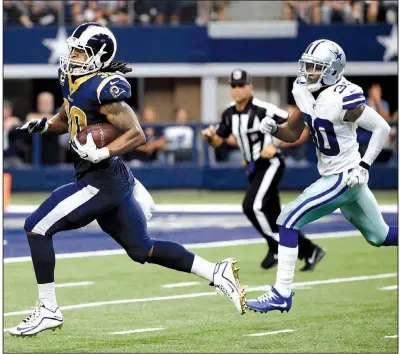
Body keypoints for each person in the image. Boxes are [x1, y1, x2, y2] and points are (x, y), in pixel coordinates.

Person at [10, 22, 246, 337]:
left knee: (36, 226)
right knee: (142, 249)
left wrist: (100, 153)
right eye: (74, 49)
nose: (73, 55)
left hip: (100, 180)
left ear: (98, 56)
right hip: (110, 179)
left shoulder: (105, 89)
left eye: (80, 51)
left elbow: (137, 135)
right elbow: (69, 113)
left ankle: (48, 309)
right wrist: (44, 124)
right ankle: (216, 272)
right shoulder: (72, 78)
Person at [246, 39, 398, 313]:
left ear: (332, 70)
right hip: (337, 174)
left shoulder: (345, 97)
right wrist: (275, 130)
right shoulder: (304, 90)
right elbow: (293, 131)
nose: (309, 71)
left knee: (288, 218)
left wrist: (364, 165)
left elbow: (382, 128)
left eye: (316, 67)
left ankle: (281, 293)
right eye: (308, 65)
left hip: (345, 176)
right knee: (381, 235)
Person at [201, 68, 325, 272]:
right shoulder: (229, 113)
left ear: (250, 87)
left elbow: (294, 125)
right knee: (276, 217)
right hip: (253, 168)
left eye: (241, 85)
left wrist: (275, 144)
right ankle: (310, 250)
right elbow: (218, 141)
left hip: (270, 164)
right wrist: (209, 137)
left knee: (252, 206)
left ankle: (278, 247)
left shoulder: (262, 109)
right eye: (234, 86)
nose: (237, 90)